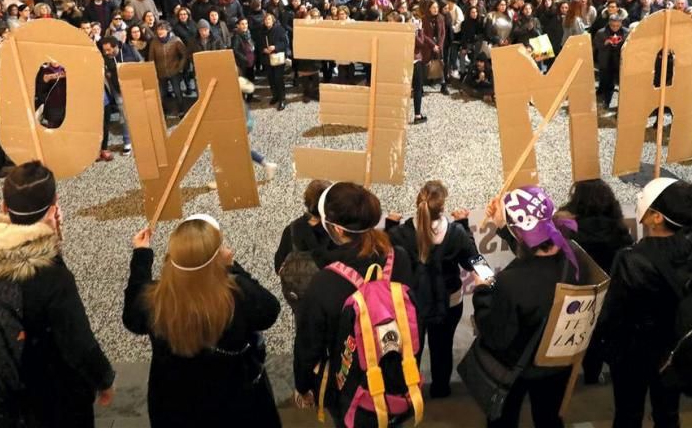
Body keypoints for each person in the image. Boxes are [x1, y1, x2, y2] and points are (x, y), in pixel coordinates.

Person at [0, 162, 115, 428]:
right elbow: (77, 341)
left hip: (0, 392)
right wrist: (103, 379)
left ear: (4, 207)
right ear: (54, 207)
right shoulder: (50, 276)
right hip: (52, 397)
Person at [123, 215, 282, 427]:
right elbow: (270, 310)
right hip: (236, 402)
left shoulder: (154, 300)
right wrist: (231, 268)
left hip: (174, 404)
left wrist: (141, 255)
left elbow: (131, 318)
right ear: (217, 259)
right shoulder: (236, 296)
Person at [292, 182, 415, 424]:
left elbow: (309, 344)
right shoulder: (398, 256)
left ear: (337, 230)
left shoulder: (325, 281)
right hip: (397, 375)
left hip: (351, 386)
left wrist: (303, 385)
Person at [598, 178, 692, 428]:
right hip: (676, 348)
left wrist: (608, 349)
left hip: (633, 352)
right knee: (668, 412)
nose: (639, 200)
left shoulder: (631, 258)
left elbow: (613, 314)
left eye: (645, 197)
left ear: (657, 218)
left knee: (628, 413)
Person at [472, 187, 583, 428]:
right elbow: (534, 256)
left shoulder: (510, 283)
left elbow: (495, 336)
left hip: (518, 367)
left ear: (520, 234)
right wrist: (504, 225)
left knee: (503, 419)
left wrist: (482, 291)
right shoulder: (570, 255)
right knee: (548, 419)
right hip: (557, 365)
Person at [388, 180, 477, 398]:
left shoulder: (399, 233)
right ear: (442, 208)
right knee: (442, 347)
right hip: (450, 302)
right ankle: (440, 390)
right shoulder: (456, 233)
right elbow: (476, 264)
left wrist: (390, 227)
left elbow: (387, 260)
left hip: (411, 303)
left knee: (411, 350)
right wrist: (464, 225)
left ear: (418, 203)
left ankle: (409, 394)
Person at [559, 178, 633, 385]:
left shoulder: (568, 229)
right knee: (598, 336)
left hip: (574, 294)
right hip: (608, 294)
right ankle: (593, 373)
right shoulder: (618, 230)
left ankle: (566, 379)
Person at [259, 11, 288, 110]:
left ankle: (282, 99)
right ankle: (275, 96)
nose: (267, 21)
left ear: (273, 20)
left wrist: (275, 47)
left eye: (269, 19)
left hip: (278, 59)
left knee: (278, 79)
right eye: (266, 20)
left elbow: (285, 44)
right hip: (267, 59)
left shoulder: (279, 30)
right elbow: (258, 45)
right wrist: (264, 49)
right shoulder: (262, 31)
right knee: (271, 79)